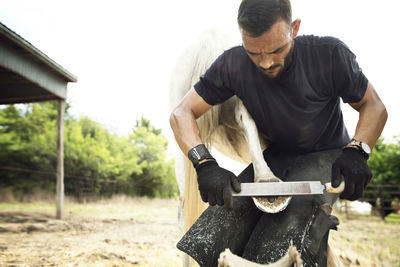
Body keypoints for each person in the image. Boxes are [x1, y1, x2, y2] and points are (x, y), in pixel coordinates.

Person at [170, 0, 387, 265]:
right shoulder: (232, 65)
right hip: (276, 158)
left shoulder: (329, 54)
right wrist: (204, 163)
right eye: (254, 53)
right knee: (213, 234)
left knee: (283, 245)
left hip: (326, 156)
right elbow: (181, 113)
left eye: (277, 50)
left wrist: (358, 151)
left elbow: (374, 105)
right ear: (241, 37)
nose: (266, 62)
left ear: (294, 28)